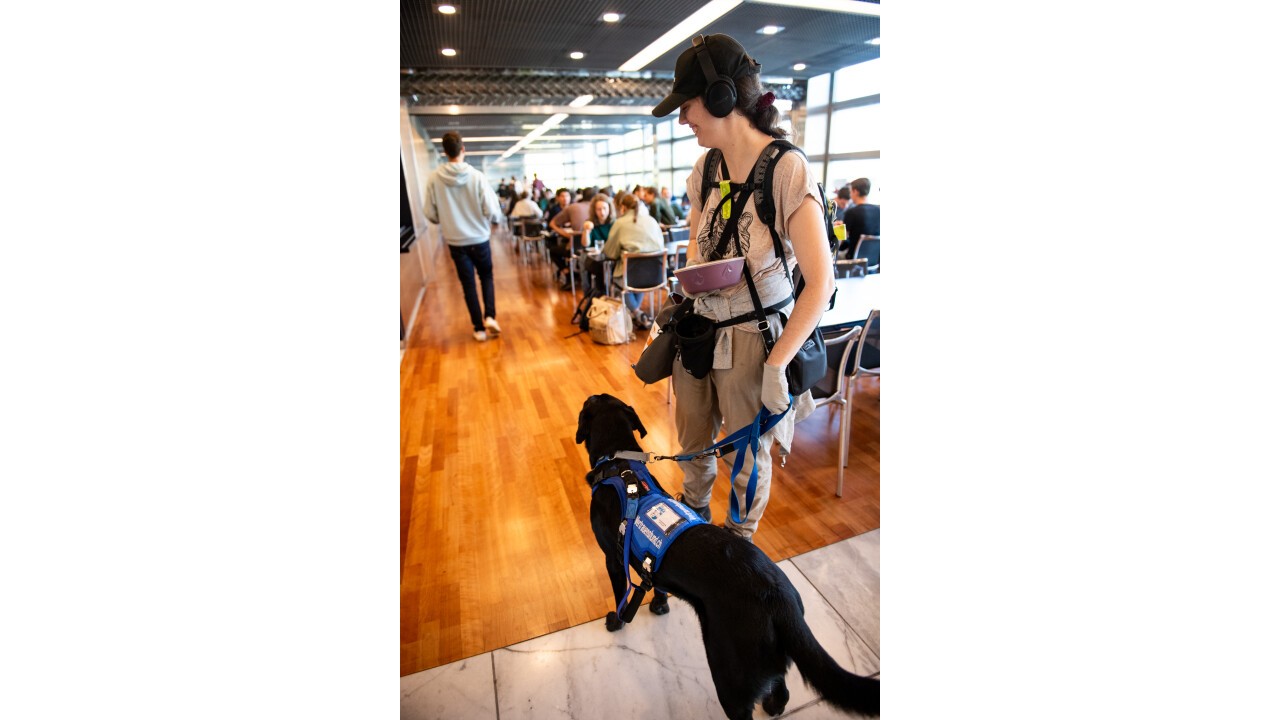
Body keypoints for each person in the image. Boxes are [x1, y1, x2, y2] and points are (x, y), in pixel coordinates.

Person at [651, 33, 833, 541]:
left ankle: (737, 546)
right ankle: (691, 532)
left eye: (687, 107)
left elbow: (820, 283)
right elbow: (695, 246)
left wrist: (777, 365)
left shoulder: (785, 169)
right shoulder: (705, 168)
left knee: (747, 454)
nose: (684, 119)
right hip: (700, 335)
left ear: (721, 98)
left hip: (755, 338)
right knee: (692, 444)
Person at [423, 131, 506, 342]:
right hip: (479, 238)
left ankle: (478, 329)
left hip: (455, 241)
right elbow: (492, 210)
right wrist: (492, 219)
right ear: (463, 150)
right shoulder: (477, 176)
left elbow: (430, 213)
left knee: (468, 284)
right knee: (486, 277)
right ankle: (490, 316)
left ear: (444, 151)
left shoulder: (434, 179)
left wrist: (446, 219)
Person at [602, 193, 664, 328]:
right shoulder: (651, 220)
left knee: (623, 282)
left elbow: (610, 253)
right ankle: (639, 314)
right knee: (636, 280)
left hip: (630, 276)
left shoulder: (620, 223)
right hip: (656, 276)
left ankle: (637, 313)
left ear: (622, 207)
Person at [548, 189, 593, 290]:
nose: (565, 199)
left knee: (553, 251)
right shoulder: (598, 209)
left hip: (577, 247)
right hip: (592, 248)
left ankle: (568, 273)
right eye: (562, 196)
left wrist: (567, 235)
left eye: (567, 196)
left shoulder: (573, 207)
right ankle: (571, 272)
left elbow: (552, 223)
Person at [581, 193, 617, 293]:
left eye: (605, 208)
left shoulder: (614, 223)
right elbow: (585, 244)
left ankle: (607, 294)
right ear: (594, 210)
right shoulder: (589, 223)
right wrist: (586, 231)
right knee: (599, 269)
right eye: (599, 209)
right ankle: (600, 294)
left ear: (609, 208)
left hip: (610, 258)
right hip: (595, 259)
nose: (602, 212)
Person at [841, 177, 880, 263]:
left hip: (853, 260)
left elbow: (842, 239)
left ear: (856, 191)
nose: (850, 195)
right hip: (874, 261)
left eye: (851, 192)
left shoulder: (852, 212)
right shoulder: (878, 210)